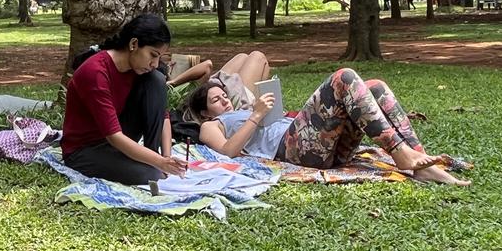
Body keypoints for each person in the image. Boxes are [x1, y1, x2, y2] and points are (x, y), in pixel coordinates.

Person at [188, 68, 469, 186]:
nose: (224, 100)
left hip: (320, 144)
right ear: (204, 112)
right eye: (216, 99)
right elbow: (227, 152)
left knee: (376, 87)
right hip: (291, 150)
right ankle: (402, 154)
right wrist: (256, 116)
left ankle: (420, 161)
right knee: (343, 77)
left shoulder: (245, 109)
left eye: (224, 95)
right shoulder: (211, 125)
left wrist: (259, 110)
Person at [60, 13, 186, 185]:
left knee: (156, 80)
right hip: (85, 149)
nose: (155, 63)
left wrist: (166, 158)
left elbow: (161, 115)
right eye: (152, 55)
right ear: (134, 44)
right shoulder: (96, 72)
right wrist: (159, 163)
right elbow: (114, 136)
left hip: (117, 138)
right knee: (150, 175)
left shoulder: (138, 70)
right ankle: (151, 163)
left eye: (159, 58)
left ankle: (151, 155)